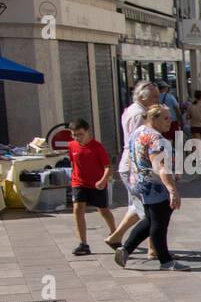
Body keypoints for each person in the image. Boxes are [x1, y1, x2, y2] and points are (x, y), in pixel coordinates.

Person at [116, 106, 188, 271]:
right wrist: (172, 190)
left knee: (150, 220)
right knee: (159, 224)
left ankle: (125, 250)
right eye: (165, 118)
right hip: (155, 186)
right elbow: (160, 167)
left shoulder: (138, 132)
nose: (170, 121)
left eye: (170, 117)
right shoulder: (155, 139)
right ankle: (166, 261)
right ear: (153, 119)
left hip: (141, 182)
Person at [105, 81, 158, 256]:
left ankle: (120, 238)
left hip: (130, 164)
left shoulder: (130, 110)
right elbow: (139, 142)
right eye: (154, 97)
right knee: (150, 207)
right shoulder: (140, 114)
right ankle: (149, 248)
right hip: (135, 165)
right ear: (143, 97)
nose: (157, 100)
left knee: (140, 206)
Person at [65, 119, 117, 256]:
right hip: (79, 183)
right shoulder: (71, 146)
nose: (77, 138)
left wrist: (103, 180)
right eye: (74, 135)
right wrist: (72, 179)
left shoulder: (97, 147)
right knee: (78, 209)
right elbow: (73, 164)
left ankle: (115, 234)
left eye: (80, 134)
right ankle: (83, 243)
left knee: (103, 210)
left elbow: (108, 167)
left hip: (97, 183)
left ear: (88, 132)